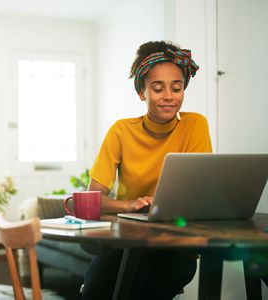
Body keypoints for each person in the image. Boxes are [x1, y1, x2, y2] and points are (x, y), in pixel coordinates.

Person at [82, 41, 212, 300]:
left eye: (177, 88)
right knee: (95, 290)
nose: (169, 96)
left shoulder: (195, 125)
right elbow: (90, 202)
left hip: (175, 243)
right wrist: (130, 205)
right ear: (142, 92)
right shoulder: (121, 131)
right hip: (128, 241)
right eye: (158, 88)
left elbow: (201, 194)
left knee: (146, 288)